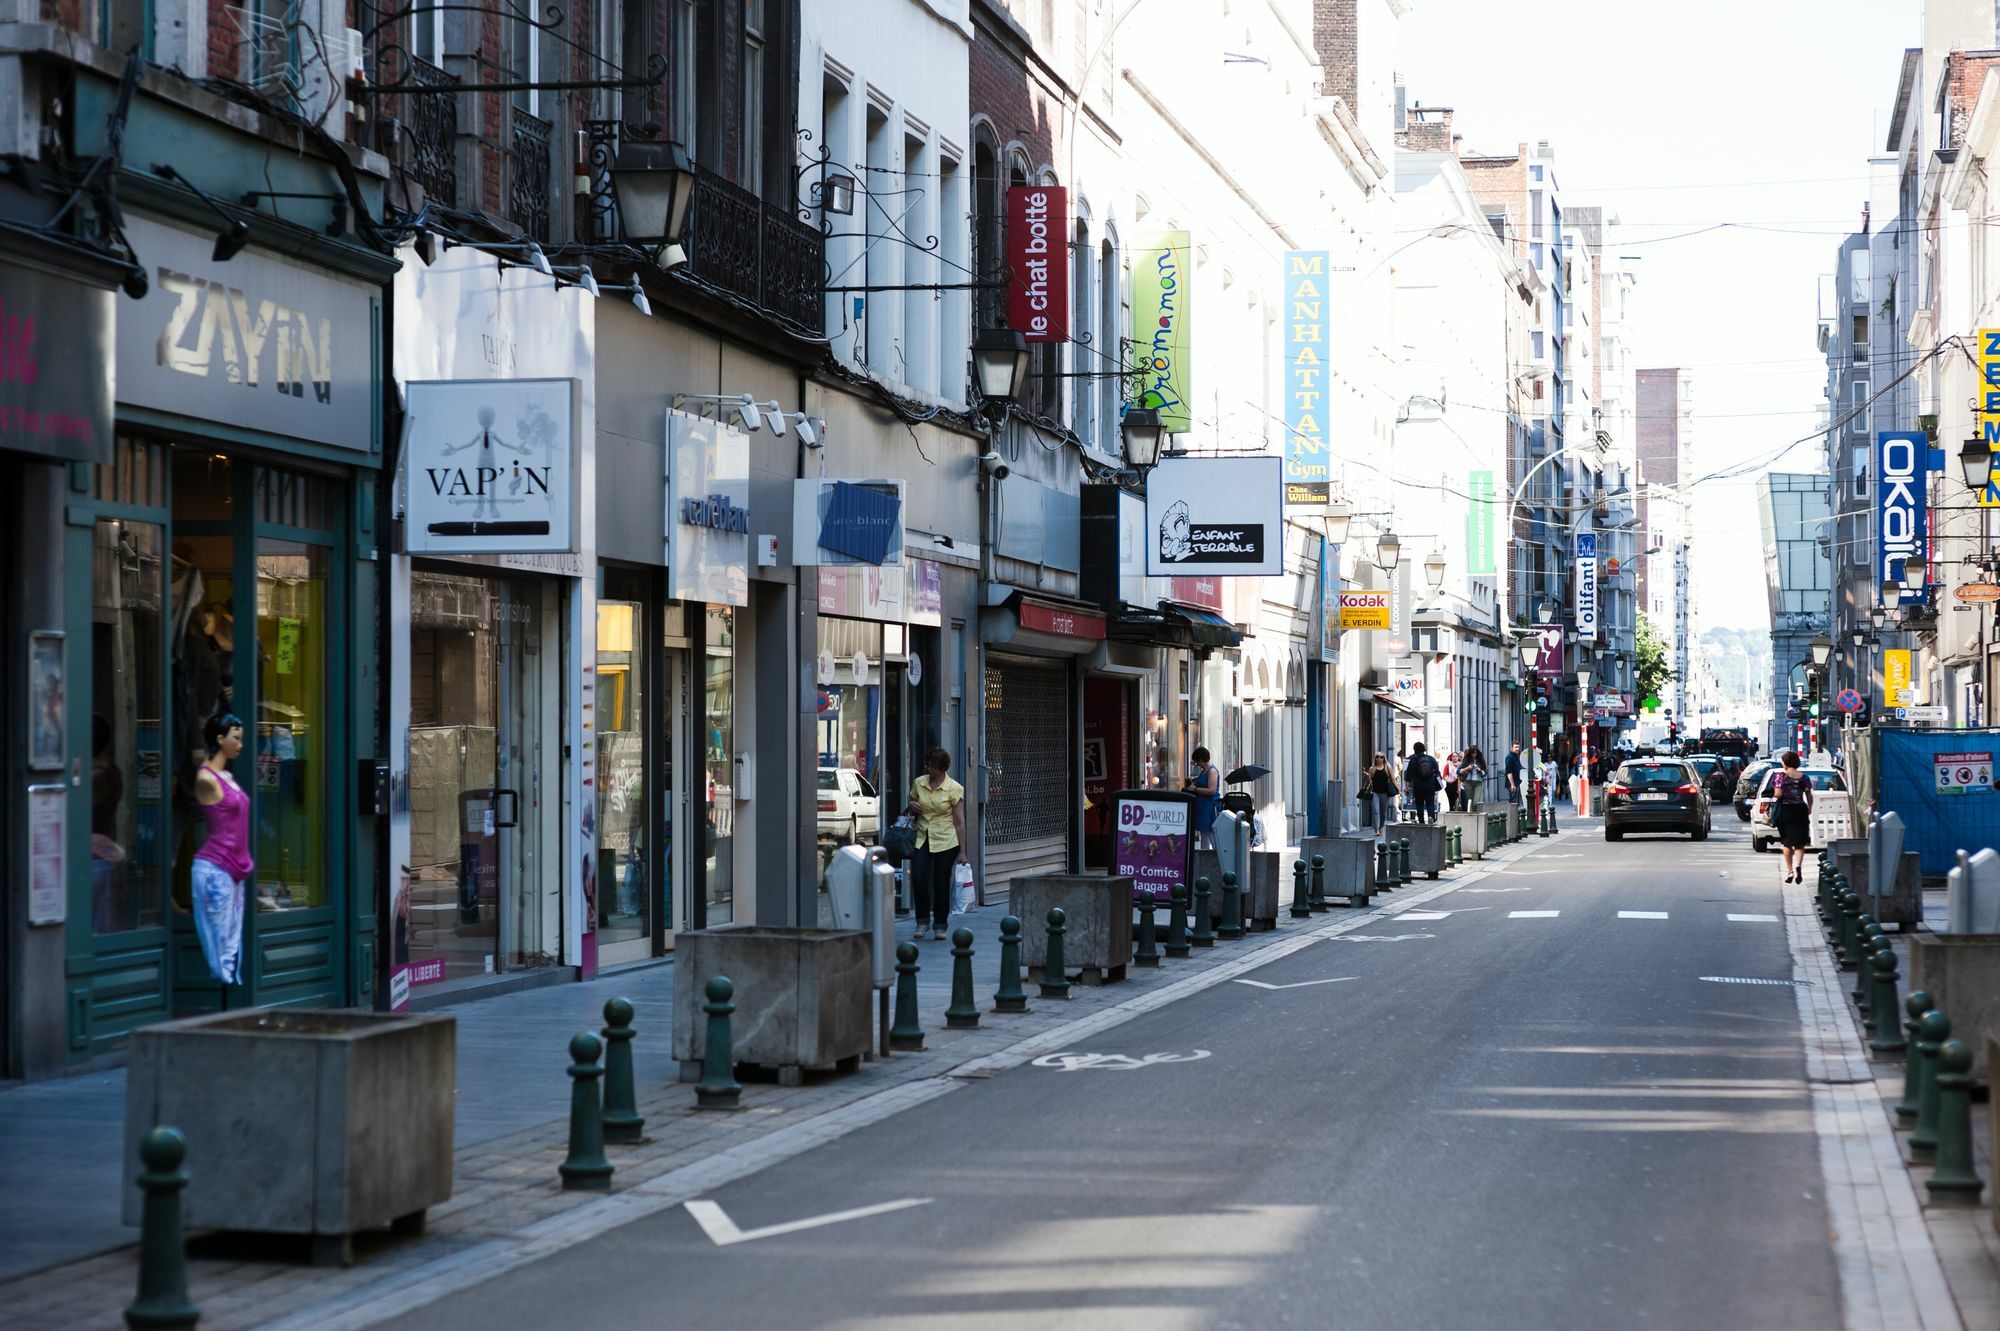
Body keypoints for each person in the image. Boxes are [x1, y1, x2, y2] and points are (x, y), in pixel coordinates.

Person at [191, 712, 252, 985]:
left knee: (231, 940)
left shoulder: (225, 776)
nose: (240, 744)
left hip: (234, 867)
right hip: (216, 868)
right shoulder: (207, 779)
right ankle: (223, 993)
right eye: (236, 738)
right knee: (219, 941)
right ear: (219, 739)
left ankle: (229, 992)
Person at [903, 747, 967, 941]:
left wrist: (962, 851)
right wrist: (911, 805)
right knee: (919, 878)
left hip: (946, 839)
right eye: (928, 765)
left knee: (941, 883)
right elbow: (911, 804)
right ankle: (922, 921)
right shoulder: (919, 783)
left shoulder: (954, 788)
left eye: (933, 766)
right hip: (923, 836)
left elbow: (959, 821)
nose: (929, 769)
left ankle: (940, 925)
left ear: (942, 768)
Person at [1772, 750, 1815, 884]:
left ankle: (1790, 871)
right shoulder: (1804, 777)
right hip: (1800, 809)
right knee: (1799, 843)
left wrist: (1774, 793)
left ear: (1785, 763)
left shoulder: (1781, 776)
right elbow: (1809, 795)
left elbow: (1778, 794)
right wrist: (1809, 808)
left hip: (1786, 810)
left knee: (1787, 842)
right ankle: (1799, 866)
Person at [1184, 746, 1222, 849]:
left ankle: (1216, 856)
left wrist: (1195, 789)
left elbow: (1211, 790)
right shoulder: (1203, 771)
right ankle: (1205, 854)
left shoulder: (1212, 771)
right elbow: (1201, 781)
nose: (1197, 764)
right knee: (1204, 833)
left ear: (1201, 760)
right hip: (1202, 805)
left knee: (1210, 833)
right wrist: (1193, 780)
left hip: (1209, 806)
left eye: (1197, 762)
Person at [1404, 742, 1443, 824]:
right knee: (1430, 804)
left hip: (1418, 786)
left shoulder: (1413, 760)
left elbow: (1408, 776)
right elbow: (1437, 773)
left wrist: (1407, 788)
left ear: (1415, 750)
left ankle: (1421, 822)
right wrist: (1438, 785)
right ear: (1424, 749)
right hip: (1430, 785)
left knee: (1419, 805)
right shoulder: (1431, 759)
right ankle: (1431, 819)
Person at [1367, 753, 1398, 834]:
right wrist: (1367, 776)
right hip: (1375, 793)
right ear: (1375, 759)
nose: (1379, 758)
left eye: (1381, 757)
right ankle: (1376, 830)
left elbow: (1393, 779)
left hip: (1385, 793)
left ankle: (1381, 827)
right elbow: (1370, 782)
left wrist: (1398, 789)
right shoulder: (1372, 769)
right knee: (1375, 811)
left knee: (1383, 813)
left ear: (1384, 759)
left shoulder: (1387, 768)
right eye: (1377, 757)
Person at [1459, 746, 1489, 811]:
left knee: (1476, 802)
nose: (1474, 755)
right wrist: (1467, 768)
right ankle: (1471, 816)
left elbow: (1485, 774)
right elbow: (1458, 771)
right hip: (1468, 783)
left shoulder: (1481, 760)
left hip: (1478, 783)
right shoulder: (1466, 760)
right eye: (1472, 753)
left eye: (1475, 753)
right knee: (1470, 802)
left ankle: (1474, 815)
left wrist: (1480, 770)